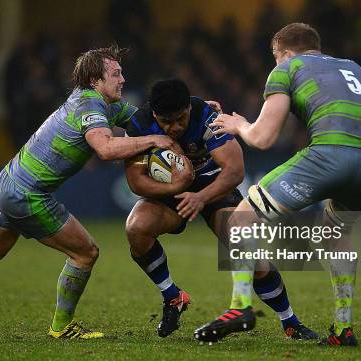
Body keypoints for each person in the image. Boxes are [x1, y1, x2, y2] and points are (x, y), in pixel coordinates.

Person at [0, 45, 179, 340]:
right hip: (28, 193)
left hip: (8, 182)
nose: (123, 79)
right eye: (116, 74)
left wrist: (198, 108)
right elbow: (106, 149)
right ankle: (62, 326)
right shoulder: (90, 105)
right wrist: (154, 140)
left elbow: (147, 117)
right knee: (85, 252)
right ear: (95, 80)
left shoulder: (106, 104)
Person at [195, 23, 361, 346]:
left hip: (328, 155)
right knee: (337, 233)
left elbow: (262, 138)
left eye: (276, 57)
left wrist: (240, 124)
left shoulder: (288, 68)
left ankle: (240, 308)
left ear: (286, 53)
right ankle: (343, 329)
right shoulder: (358, 71)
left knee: (240, 218)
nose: (276, 64)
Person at [124, 78, 317, 339]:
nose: (174, 127)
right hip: (171, 191)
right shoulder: (139, 125)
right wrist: (177, 188)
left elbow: (235, 170)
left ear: (189, 109)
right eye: (166, 121)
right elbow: (136, 181)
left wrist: (200, 196)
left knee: (252, 257)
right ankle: (173, 297)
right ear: (154, 114)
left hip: (215, 187)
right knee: (136, 228)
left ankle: (290, 322)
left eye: (180, 118)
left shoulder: (207, 116)